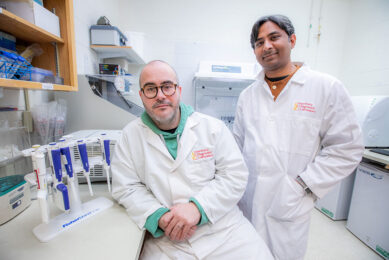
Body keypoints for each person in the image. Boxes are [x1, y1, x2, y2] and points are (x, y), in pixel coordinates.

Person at [111, 60, 273, 260]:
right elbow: (126, 187)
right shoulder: (129, 136)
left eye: (167, 87)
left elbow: (235, 175)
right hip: (167, 238)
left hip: (223, 230)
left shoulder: (213, 128)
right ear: (142, 96)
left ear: (178, 90)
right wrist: (158, 216)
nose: (160, 95)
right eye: (151, 89)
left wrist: (198, 208)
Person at [233, 15, 364, 260]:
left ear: (292, 40)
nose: (267, 46)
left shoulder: (325, 87)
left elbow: (348, 147)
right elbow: (238, 147)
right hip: (247, 200)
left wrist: (303, 184)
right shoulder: (247, 96)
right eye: (259, 43)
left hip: (290, 201)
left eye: (274, 37)